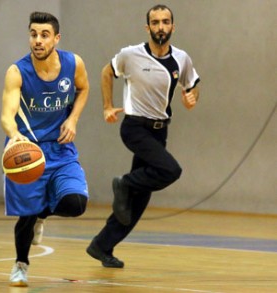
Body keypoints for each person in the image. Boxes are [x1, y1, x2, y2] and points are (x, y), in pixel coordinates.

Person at [86, 4, 200, 268]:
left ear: (173, 26)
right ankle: (124, 183)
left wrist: (193, 97)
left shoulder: (181, 59)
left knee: (138, 201)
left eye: (166, 22)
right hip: (135, 128)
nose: (161, 27)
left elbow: (193, 84)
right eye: (155, 22)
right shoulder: (130, 55)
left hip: (160, 131)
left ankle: (102, 245)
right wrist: (106, 106)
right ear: (147, 27)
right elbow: (106, 72)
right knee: (171, 170)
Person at [1, 11, 90, 287]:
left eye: (44, 35)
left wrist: (73, 119)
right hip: (26, 151)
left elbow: (83, 89)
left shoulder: (73, 63)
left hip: (61, 150)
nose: (37, 40)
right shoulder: (17, 71)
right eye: (33, 34)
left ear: (56, 38)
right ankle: (20, 264)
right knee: (25, 217)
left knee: (76, 204)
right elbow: (7, 113)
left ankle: (43, 213)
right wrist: (14, 134)